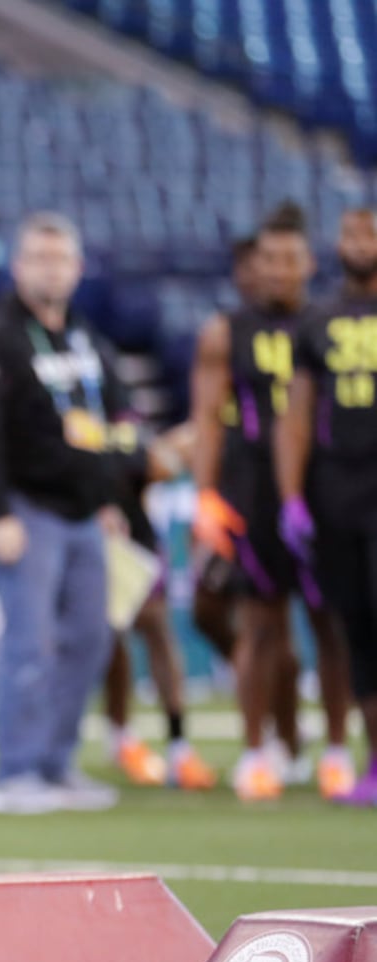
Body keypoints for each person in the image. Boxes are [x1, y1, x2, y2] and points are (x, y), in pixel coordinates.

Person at [0, 213, 143, 816]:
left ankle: (56, 763)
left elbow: (116, 424)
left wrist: (112, 501)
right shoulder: (0, 336)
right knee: (29, 641)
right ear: (18, 267)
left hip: (85, 514)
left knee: (90, 639)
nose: (50, 268)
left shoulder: (87, 339)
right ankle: (14, 772)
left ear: (78, 268)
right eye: (38, 257)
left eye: (60, 258)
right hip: (26, 508)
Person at [191, 204, 355, 801]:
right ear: (253, 264)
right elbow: (207, 419)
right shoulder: (225, 332)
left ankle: (337, 751)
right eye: (268, 259)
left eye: (290, 259)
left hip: (324, 490)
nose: (279, 270)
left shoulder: (333, 325)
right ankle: (257, 752)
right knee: (259, 626)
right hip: (251, 491)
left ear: (309, 262)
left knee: (330, 625)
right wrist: (205, 495)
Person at [277, 206, 377, 805]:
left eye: (369, 232)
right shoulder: (317, 319)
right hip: (337, 495)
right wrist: (291, 496)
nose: (358, 243)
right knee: (357, 631)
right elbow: (295, 414)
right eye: (349, 233)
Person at [102, 420, 217, 789]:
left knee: (155, 627)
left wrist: (161, 454)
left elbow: (161, 461)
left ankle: (179, 743)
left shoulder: (103, 381)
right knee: (109, 638)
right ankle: (120, 736)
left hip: (133, 532)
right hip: (88, 524)